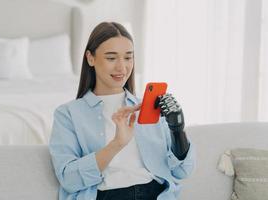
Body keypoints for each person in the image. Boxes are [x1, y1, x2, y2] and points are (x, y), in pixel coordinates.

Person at [49, 22, 195, 200]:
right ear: (90, 58)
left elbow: (182, 171)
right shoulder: (68, 114)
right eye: (111, 58)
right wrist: (117, 144)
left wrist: (178, 130)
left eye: (128, 57)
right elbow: (69, 179)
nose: (122, 67)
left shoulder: (150, 107)